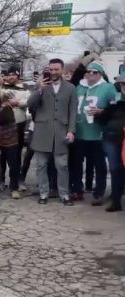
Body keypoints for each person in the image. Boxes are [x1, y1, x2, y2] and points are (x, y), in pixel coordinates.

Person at [27, 59, 77, 206]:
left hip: (61, 132)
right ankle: (43, 193)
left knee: (62, 166)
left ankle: (64, 194)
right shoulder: (42, 86)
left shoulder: (70, 88)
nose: (54, 72)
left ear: (62, 70)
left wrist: (71, 131)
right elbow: (30, 104)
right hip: (43, 132)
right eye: (51, 69)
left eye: (56, 69)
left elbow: (72, 111)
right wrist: (40, 89)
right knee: (41, 166)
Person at [70, 60, 116, 205]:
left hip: (98, 133)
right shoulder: (79, 87)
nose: (90, 74)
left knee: (99, 165)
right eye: (88, 72)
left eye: (94, 72)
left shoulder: (107, 87)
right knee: (76, 164)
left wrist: (102, 111)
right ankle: (77, 190)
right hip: (79, 131)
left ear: (100, 74)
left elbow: (116, 108)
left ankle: (99, 193)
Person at [98, 74, 125, 212]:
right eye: (122, 84)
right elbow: (104, 117)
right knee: (115, 169)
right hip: (112, 138)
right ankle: (116, 201)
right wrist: (100, 114)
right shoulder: (114, 101)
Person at [0, 90, 21, 198]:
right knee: (0, 165)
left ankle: (14, 187)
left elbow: (6, 119)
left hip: (11, 141)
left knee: (13, 165)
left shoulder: (7, 109)